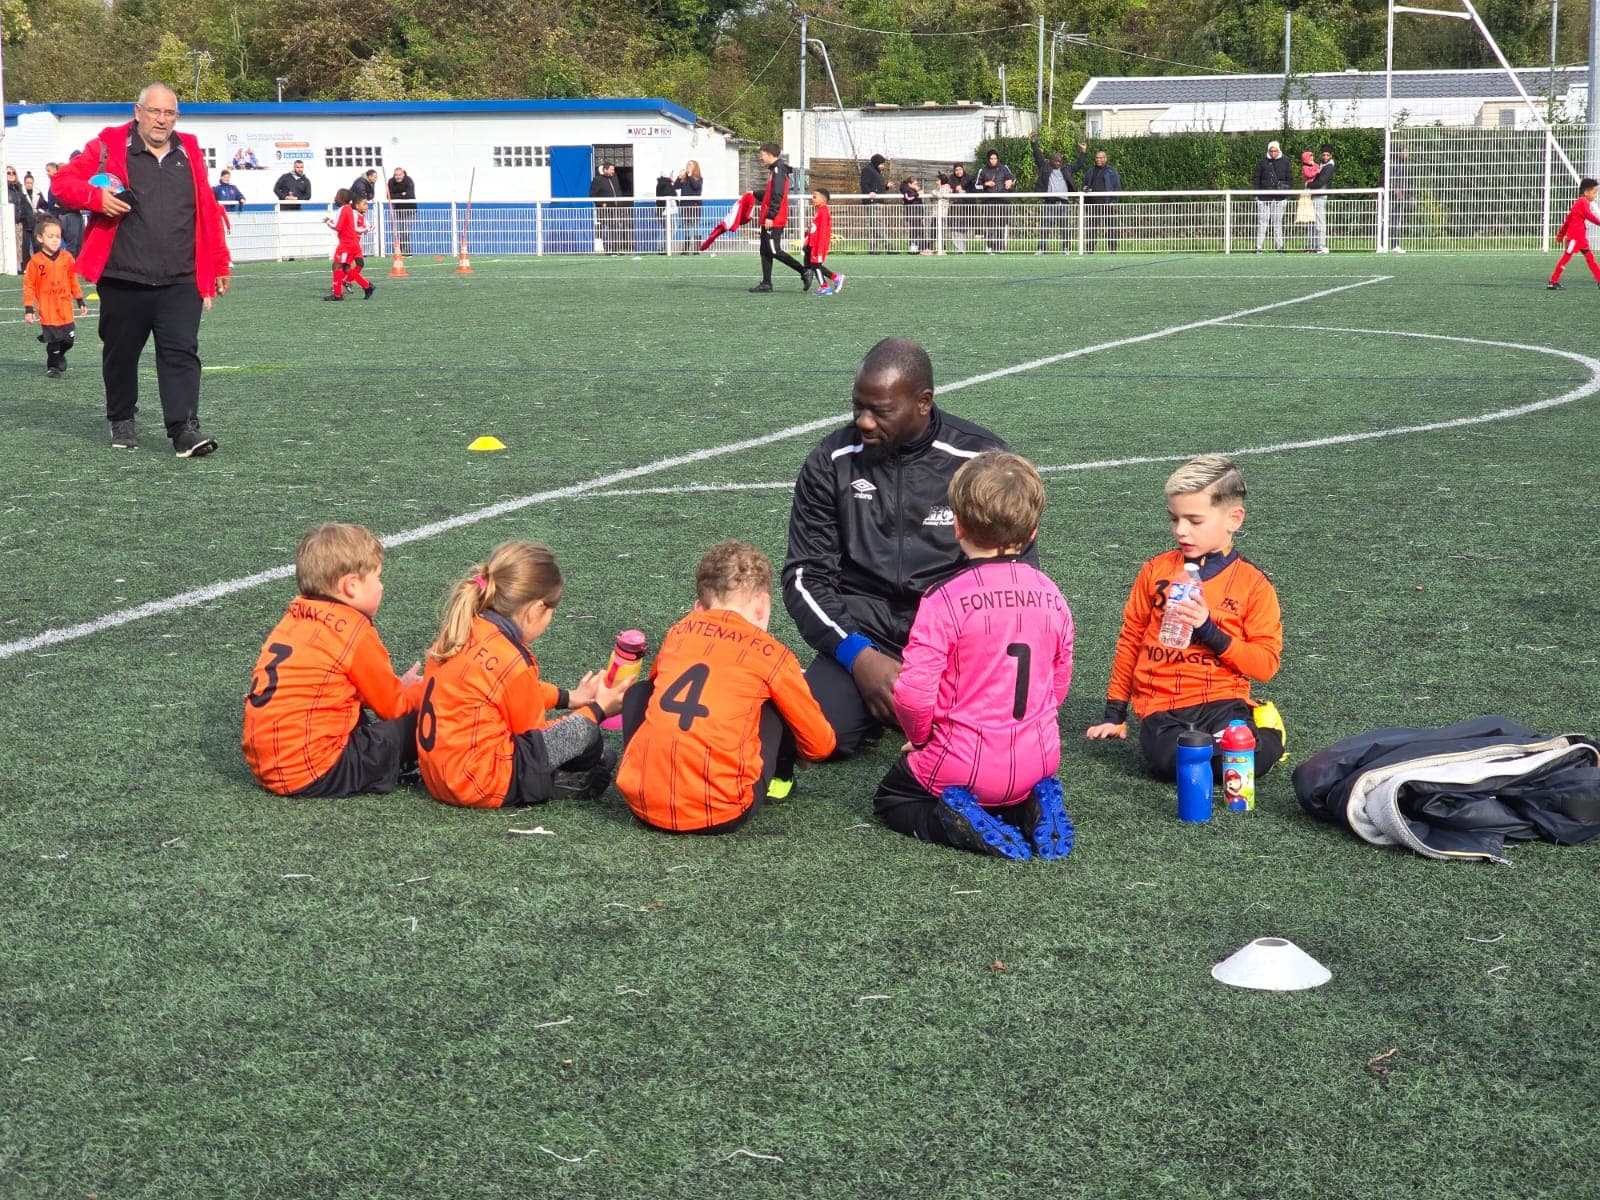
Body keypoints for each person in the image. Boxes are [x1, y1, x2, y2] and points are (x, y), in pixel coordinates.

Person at [781, 337, 1029, 758]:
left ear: (923, 402)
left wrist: (951, 657)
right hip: (865, 634)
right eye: (858, 406)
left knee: (985, 741)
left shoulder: (980, 460)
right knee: (820, 737)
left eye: (880, 411)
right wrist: (858, 656)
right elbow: (805, 576)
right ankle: (874, 696)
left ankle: (912, 703)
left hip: (952, 640)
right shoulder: (831, 461)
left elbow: (1016, 577)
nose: (863, 421)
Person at [876, 451, 1075, 860]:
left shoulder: (943, 599)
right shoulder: (1052, 593)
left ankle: (958, 824)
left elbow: (913, 692)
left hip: (961, 764)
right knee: (1006, 786)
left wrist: (919, 739)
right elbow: (1059, 681)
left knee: (892, 798)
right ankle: (1030, 806)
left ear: (958, 526)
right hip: (1038, 758)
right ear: (1033, 530)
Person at [49, 82, 231, 457]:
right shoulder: (107, 146)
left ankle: (184, 430)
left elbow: (207, 209)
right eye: (155, 111)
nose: (162, 120)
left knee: (181, 352)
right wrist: (95, 197)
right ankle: (121, 418)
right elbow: (61, 184)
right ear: (138, 111)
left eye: (169, 113)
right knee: (121, 353)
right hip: (123, 277)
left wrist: (218, 260)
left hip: (181, 278)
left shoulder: (189, 150)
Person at [1085, 455, 1285, 782]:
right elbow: (1131, 641)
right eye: (1174, 518)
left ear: (1234, 519)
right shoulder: (1155, 570)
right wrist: (1115, 714)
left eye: (1194, 520)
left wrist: (1209, 630)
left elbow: (1265, 665)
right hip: (1162, 708)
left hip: (1222, 702)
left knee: (1242, 762)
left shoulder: (1254, 584)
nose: (1181, 530)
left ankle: (1270, 733)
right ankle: (1226, 742)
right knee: (1170, 764)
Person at [615, 541, 836, 833]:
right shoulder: (772, 654)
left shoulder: (678, 632)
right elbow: (821, 745)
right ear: (762, 605)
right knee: (773, 706)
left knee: (639, 693)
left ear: (697, 608)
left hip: (640, 804)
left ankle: (647, 773)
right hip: (722, 811)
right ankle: (780, 782)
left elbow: (655, 691)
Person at [416, 541, 629, 809]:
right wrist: (598, 710)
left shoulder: (462, 629)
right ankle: (565, 781)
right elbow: (535, 741)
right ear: (536, 609)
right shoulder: (512, 658)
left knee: (575, 731)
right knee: (585, 736)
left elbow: (508, 693)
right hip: (479, 783)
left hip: (438, 773)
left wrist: (570, 697)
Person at [242, 523, 425, 798]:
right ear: (351, 585)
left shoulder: (295, 617)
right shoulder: (353, 630)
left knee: (362, 719)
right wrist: (428, 688)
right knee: (421, 723)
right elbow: (395, 708)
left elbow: (328, 683)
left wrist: (396, 685)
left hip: (267, 766)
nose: (382, 587)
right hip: (313, 770)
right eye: (377, 578)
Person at [22, 215, 89, 378]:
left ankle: (59, 354)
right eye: (50, 236)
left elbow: (73, 280)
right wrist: (29, 308)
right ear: (40, 238)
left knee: (68, 340)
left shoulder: (67, 258)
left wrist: (80, 300)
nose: (54, 240)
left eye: (57, 237)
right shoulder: (36, 262)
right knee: (54, 342)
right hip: (48, 310)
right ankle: (53, 366)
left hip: (65, 308)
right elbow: (29, 286)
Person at [749, 141, 809, 293]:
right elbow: (770, 195)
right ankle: (766, 283)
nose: (761, 158)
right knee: (765, 250)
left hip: (774, 219)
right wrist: (754, 194)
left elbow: (777, 195)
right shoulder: (775, 170)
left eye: (762, 155)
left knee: (774, 250)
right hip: (771, 218)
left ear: (769, 154)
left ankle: (804, 271)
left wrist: (770, 215)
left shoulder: (778, 170)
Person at [1031, 133, 1086, 254]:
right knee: (1045, 226)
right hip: (1049, 201)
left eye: (1059, 161)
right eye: (1055, 161)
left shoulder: (1066, 168)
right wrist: (1034, 142)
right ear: (1051, 160)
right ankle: (1041, 248)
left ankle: (1066, 248)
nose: (1058, 163)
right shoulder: (1045, 166)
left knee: (1064, 226)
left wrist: (1083, 152)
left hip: (1063, 201)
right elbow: (1038, 156)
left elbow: (1079, 165)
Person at [1547, 178, 1600, 290]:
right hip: (1575, 239)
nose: (1596, 195)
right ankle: (1552, 281)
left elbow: (1568, 220)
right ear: (1586, 192)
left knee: (1590, 258)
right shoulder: (1582, 202)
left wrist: (1561, 235)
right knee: (1566, 258)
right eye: (1594, 192)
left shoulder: (1579, 203)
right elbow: (1589, 215)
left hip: (1580, 239)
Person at [324, 188, 375, 301]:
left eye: (337, 196)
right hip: (352, 242)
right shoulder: (348, 209)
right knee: (347, 268)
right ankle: (367, 286)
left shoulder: (344, 209)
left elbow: (338, 226)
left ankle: (338, 294)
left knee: (337, 265)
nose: (335, 198)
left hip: (346, 243)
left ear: (342, 198)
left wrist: (327, 221)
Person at [1251, 141, 1292, 253]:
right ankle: (1258, 247)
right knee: (1262, 222)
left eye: (1275, 150)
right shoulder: (1262, 161)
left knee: (1277, 223)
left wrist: (1286, 193)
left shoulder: (1285, 161)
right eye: (1271, 151)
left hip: (1280, 198)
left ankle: (1280, 247)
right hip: (1264, 197)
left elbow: (1289, 179)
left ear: (1278, 150)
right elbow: (1256, 178)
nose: (1273, 153)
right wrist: (1257, 195)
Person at [804, 186, 843, 296]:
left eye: (815, 197)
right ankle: (835, 278)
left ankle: (825, 286)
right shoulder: (820, 210)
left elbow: (823, 231)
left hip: (819, 245)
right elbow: (816, 228)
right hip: (814, 244)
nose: (812, 199)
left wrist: (820, 247)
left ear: (823, 199)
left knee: (816, 266)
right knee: (815, 265)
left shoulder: (824, 211)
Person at [975, 148, 1016, 252]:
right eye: (991, 158)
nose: (993, 160)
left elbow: (1014, 179)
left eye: (995, 158)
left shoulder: (1004, 168)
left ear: (998, 159)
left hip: (1003, 201)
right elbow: (976, 186)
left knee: (1002, 224)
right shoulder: (982, 170)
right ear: (988, 159)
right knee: (991, 224)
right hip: (989, 202)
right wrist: (985, 184)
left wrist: (1010, 182)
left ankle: (1001, 247)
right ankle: (989, 247)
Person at [1082, 148, 1122, 252]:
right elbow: (1084, 185)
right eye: (1097, 157)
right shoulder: (1090, 171)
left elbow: (1117, 187)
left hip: (1108, 204)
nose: (1098, 159)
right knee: (1092, 228)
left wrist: (1113, 201)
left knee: (1111, 228)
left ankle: (1113, 250)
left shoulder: (1111, 171)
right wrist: (1086, 189)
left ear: (1105, 158)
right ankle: (1089, 250)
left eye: (1100, 158)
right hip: (1093, 204)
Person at [42, 161, 83, 256]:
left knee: (79, 244)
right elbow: (56, 203)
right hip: (68, 215)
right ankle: (69, 267)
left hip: (76, 214)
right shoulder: (58, 184)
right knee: (72, 245)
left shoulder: (70, 182)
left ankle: (76, 268)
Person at [1384, 145, 1413, 253]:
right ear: (1399, 153)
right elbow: (1386, 178)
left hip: (1401, 198)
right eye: (1404, 152)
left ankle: (1395, 245)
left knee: (1397, 221)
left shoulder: (1408, 166)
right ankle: (1382, 245)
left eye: (1407, 152)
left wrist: (1411, 195)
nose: (1406, 154)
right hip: (1389, 197)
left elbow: (1410, 182)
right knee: (1384, 220)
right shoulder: (1391, 164)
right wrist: (1394, 188)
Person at [1307, 142, 1335, 254]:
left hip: (1320, 196)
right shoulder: (1319, 165)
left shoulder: (1329, 167)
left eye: (1327, 155)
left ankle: (1321, 245)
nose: (1325, 157)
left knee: (1320, 221)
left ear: (1331, 156)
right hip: (1314, 196)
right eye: (1323, 155)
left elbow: (1320, 182)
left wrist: (1308, 185)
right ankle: (1312, 245)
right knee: (1312, 222)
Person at [860, 153, 891, 254]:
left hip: (879, 201)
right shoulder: (868, 170)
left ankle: (873, 248)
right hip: (873, 202)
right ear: (876, 163)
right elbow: (864, 183)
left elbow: (877, 186)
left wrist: (886, 186)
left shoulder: (877, 172)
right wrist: (869, 192)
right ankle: (888, 247)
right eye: (881, 164)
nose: (883, 166)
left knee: (875, 225)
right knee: (878, 224)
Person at [589, 161, 622, 253]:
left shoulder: (614, 178)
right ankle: (608, 249)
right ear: (605, 170)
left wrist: (620, 202)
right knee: (607, 228)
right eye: (611, 169)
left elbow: (618, 191)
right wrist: (601, 203)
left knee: (616, 228)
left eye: (613, 169)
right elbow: (592, 195)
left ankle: (616, 249)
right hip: (604, 210)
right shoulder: (597, 180)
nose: (613, 171)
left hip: (616, 208)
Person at [671, 159, 703, 252]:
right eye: (687, 165)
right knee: (686, 228)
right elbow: (675, 187)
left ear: (695, 167)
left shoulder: (699, 178)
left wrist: (690, 176)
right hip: (685, 206)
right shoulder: (684, 179)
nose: (688, 166)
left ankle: (696, 249)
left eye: (690, 165)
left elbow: (696, 186)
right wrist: (679, 176)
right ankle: (686, 249)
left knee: (696, 227)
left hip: (695, 206)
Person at [6, 165, 33, 274]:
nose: (11, 175)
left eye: (13, 173)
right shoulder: (4, 190)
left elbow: (24, 205)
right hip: (8, 222)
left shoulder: (19, 188)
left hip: (19, 222)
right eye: (8, 173)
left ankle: (20, 267)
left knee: (21, 247)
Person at [386, 166, 416, 255]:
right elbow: (388, 196)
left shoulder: (409, 181)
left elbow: (409, 195)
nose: (398, 177)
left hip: (409, 209)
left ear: (403, 174)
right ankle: (403, 250)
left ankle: (406, 251)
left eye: (399, 175)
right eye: (396, 175)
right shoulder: (391, 182)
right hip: (398, 209)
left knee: (405, 230)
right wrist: (402, 194)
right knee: (401, 230)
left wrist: (396, 195)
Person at [900, 175, 931, 254]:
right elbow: (908, 198)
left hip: (917, 212)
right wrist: (917, 193)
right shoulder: (905, 188)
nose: (916, 186)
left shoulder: (911, 188)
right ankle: (914, 248)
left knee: (919, 230)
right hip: (912, 213)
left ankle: (920, 247)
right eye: (915, 184)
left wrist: (918, 191)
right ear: (909, 184)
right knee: (915, 230)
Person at [947, 162, 974, 253]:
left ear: (963, 169)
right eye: (956, 170)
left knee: (963, 228)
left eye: (960, 169)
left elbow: (973, 190)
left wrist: (964, 191)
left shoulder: (969, 178)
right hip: (955, 206)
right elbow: (951, 187)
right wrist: (956, 188)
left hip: (966, 207)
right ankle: (957, 249)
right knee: (954, 227)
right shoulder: (951, 178)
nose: (958, 172)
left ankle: (963, 249)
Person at [19, 172, 44, 261]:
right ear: (24, 183)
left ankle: (38, 263)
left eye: (30, 183)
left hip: (36, 222)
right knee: (25, 245)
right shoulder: (21, 193)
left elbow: (44, 205)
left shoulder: (38, 192)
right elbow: (19, 206)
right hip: (24, 222)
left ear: (33, 183)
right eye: (27, 183)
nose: (29, 185)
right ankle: (25, 265)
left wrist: (39, 212)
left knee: (37, 244)